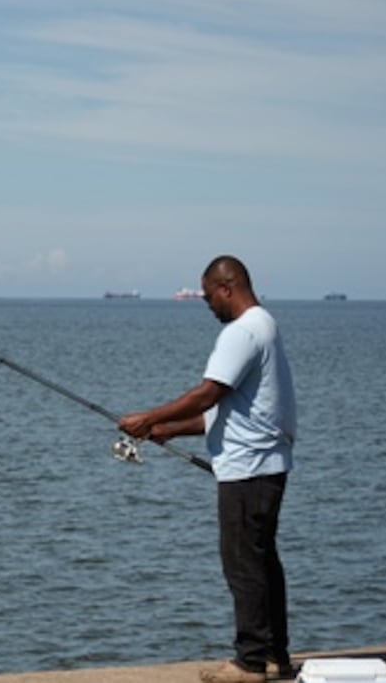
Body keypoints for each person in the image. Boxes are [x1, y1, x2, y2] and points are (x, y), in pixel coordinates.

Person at [119, 255, 296, 683]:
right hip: (265, 465)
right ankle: (274, 656)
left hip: (248, 470)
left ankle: (250, 663)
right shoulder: (266, 326)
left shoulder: (242, 332)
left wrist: (146, 416)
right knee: (261, 559)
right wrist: (166, 430)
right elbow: (226, 414)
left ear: (227, 287)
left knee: (242, 563)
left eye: (208, 297)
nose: (207, 305)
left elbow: (206, 395)